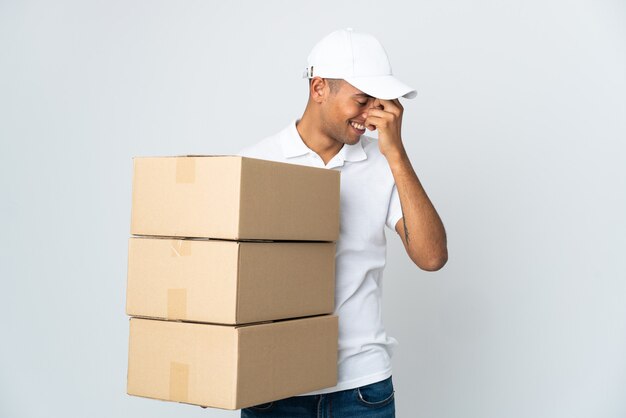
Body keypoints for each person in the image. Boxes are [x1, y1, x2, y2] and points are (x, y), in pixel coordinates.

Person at [238, 28, 448, 418]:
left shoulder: (385, 165)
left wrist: (396, 154)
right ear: (319, 88)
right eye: (362, 98)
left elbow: (432, 257)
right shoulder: (254, 165)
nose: (372, 113)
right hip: (272, 386)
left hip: (361, 389)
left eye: (380, 101)